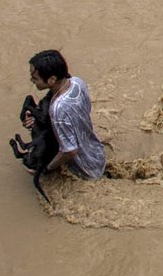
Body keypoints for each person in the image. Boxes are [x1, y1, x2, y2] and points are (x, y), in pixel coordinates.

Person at [23, 50, 105, 180]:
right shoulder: (77, 82)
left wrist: (46, 169)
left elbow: (70, 151)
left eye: (35, 78)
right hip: (96, 152)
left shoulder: (58, 110)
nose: (32, 81)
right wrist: (38, 120)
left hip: (83, 169)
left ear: (52, 79)